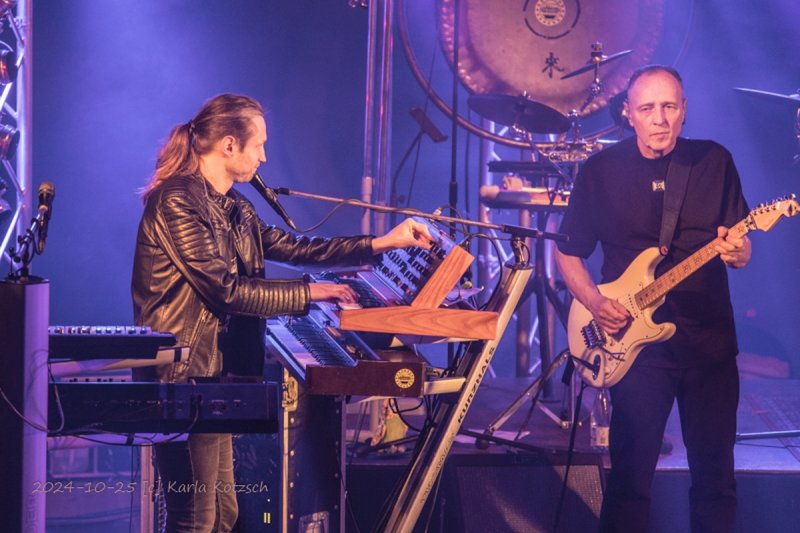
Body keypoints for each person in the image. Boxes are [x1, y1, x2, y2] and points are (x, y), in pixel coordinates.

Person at [131, 93, 432, 532]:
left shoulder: (235, 207)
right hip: (183, 377)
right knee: (194, 517)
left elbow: (297, 248)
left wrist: (383, 242)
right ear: (229, 145)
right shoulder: (177, 202)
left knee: (223, 516)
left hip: (212, 376)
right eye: (259, 145)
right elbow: (226, 291)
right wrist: (311, 293)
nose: (264, 157)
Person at [554, 66, 751, 533]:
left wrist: (739, 252)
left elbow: (740, 246)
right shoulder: (601, 170)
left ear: (684, 110)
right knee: (629, 481)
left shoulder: (714, 161)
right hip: (635, 349)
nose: (660, 119)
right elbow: (567, 252)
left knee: (716, 479)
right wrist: (594, 302)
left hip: (708, 344)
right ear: (628, 114)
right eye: (647, 108)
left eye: (669, 107)